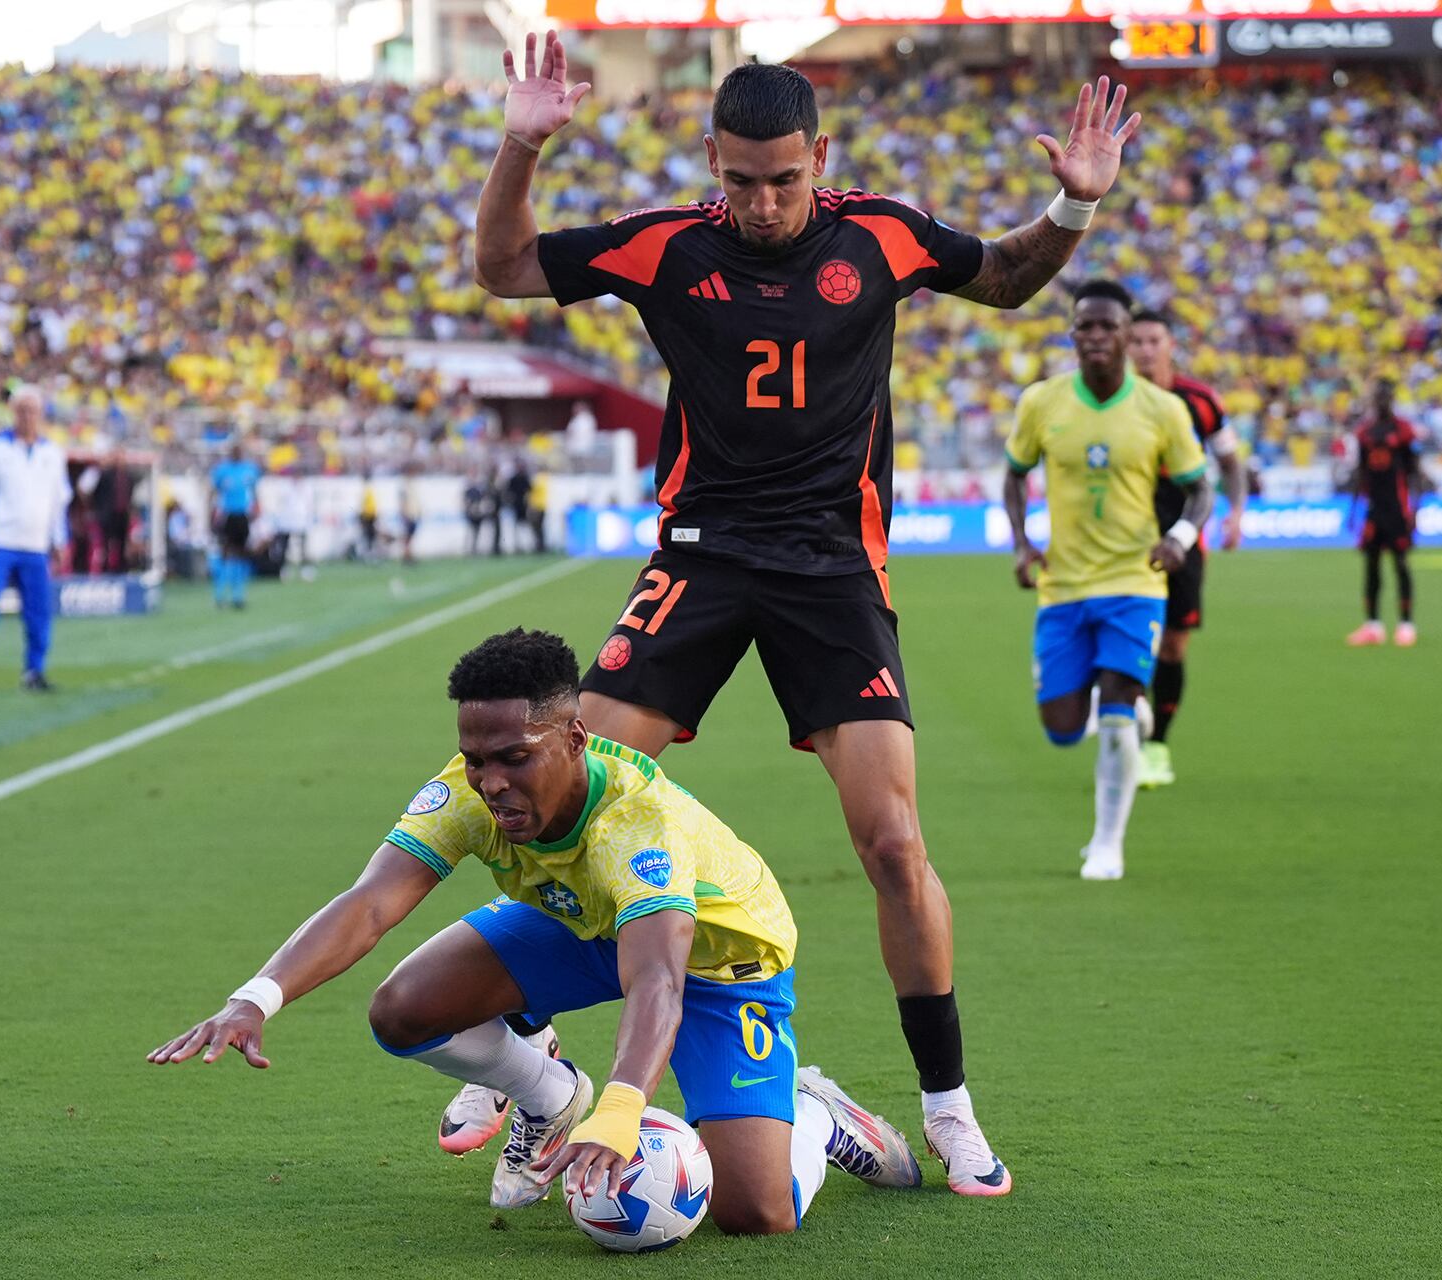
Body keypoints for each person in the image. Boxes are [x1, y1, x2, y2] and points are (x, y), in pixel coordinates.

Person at [467, 37, 1142, 1189]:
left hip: (833, 566)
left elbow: (1009, 278)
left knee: (892, 842)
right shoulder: (668, 244)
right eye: (740, 179)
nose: (764, 202)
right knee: (556, 788)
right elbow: (505, 268)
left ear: (818, 156)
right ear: (713, 162)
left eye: (783, 177)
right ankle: (532, 1072)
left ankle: (946, 1104)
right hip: (700, 555)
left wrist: (1072, 209)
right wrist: (522, 142)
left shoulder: (879, 232)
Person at [148, 628, 922, 1232]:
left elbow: (656, 979)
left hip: (718, 962)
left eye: (514, 758)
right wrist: (256, 998)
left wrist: (622, 1115)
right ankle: (550, 1094)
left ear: (575, 739)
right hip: (582, 923)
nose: (491, 784)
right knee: (404, 1010)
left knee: (756, 1215)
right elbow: (369, 904)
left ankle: (816, 1115)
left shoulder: (636, 822)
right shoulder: (467, 792)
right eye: (475, 759)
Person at [1002, 281, 1209, 882]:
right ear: (1072, 334)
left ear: (1126, 336)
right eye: (1083, 327)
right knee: (1063, 727)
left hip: (1134, 580)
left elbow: (1200, 487)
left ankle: (1107, 844)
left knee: (1115, 716)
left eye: (1107, 327)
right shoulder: (1042, 403)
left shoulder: (1161, 409)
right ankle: (1128, 706)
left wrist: (1180, 539)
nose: (1094, 337)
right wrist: (1020, 541)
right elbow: (1014, 474)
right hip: (1063, 585)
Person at [1126, 310, 1248, 788]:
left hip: (1184, 536)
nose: (1145, 349)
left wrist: (1236, 512)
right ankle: (1126, 737)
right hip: (1125, 538)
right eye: (1135, 340)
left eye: (1153, 339)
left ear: (1170, 344)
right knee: (1129, 640)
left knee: (1174, 645)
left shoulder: (1199, 400)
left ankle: (1157, 745)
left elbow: (1230, 463)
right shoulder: (1114, 400)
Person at [0, 384, 70, 694]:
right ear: (13, 412)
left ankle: (35, 669)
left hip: (35, 545)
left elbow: (57, 502)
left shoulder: (52, 453)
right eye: (22, 410)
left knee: (38, 609)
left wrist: (59, 539)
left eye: (33, 410)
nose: (28, 417)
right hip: (1, 542)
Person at [1345, 380, 1425, 647]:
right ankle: (1373, 625)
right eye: (1376, 397)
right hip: (1374, 508)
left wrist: (1415, 507)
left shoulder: (1403, 431)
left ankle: (1406, 624)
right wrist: (1354, 509)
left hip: (1397, 508)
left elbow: (1415, 472)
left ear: (1391, 400)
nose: (1380, 402)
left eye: (1384, 397)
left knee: (1401, 564)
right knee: (1371, 565)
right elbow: (1360, 472)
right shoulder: (1365, 433)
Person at [208, 444, 261, 609]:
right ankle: (219, 594)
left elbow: (255, 492)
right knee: (225, 553)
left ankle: (238, 595)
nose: (237, 453)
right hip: (228, 516)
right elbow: (212, 493)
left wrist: (257, 509)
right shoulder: (222, 470)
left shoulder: (250, 469)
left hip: (243, 516)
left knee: (242, 554)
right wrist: (210, 514)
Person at [93, 447, 138, 574]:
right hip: (109, 514)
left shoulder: (129, 476)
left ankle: (122, 568)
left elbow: (130, 495)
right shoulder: (106, 474)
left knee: (122, 542)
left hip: (122, 514)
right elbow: (97, 493)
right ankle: (106, 568)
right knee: (106, 542)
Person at [463, 471, 495, 557]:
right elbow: (466, 502)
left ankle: (475, 549)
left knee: (477, 532)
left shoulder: (479, 490)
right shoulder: (468, 490)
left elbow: (484, 501)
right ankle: (470, 549)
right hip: (471, 514)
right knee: (471, 532)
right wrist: (471, 508)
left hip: (478, 514)